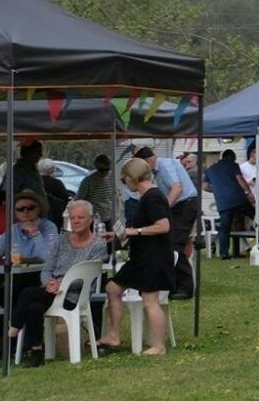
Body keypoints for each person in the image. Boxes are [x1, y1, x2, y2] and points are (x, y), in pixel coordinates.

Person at [4, 200, 108, 367]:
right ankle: (37, 351)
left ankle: (14, 330)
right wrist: (49, 284)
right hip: (51, 290)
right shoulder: (61, 240)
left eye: (80, 217)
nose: (76, 221)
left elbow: (89, 276)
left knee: (28, 293)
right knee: (33, 307)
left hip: (74, 295)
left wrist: (63, 285)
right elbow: (47, 268)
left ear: (90, 219)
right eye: (73, 217)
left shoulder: (98, 244)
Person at [102, 158, 174, 355]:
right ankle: (114, 334)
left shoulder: (153, 197)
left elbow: (163, 226)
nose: (125, 184)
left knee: (150, 300)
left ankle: (159, 346)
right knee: (112, 287)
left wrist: (135, 231)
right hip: (141, 257)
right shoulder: (146, 197)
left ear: (132, 178)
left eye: (124, 179)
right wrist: (121, 233)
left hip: (153, 257)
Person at [139, 145, 199, 300]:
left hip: (185, 205)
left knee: (175, 245)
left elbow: (177, 188)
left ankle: (185, 288)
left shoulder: (164, 166)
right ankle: (173, 284)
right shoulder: (160, 169)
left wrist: (162, 209)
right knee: (168, 244)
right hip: (181, 206)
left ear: (147, 161)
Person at [0, 190, 59, 264]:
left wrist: (35, 233)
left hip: (41, 272)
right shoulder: (14, 229)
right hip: (17, 272)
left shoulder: (49, 227)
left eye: (30, 208)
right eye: (20, 209)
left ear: (39, 209)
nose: (25, 212)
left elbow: (50, 258)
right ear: (15, 212)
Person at [204, 150, 253, 259]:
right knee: (255, 216)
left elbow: (205, 187)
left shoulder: (210, 169)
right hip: (238, 198)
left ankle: (223, 253)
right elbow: (240, 179)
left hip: (222, 202)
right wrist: (249, 192)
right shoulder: (233, 165)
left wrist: (217, 190)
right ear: (232, 157)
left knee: (224, 227)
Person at [74, 155, 116, 228]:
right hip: (93, 219)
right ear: (96, 168)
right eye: (101, 170)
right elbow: (78, 201)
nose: (104, 173)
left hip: (110, 217)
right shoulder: (88, 181)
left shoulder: (112, 178)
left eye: (107, 169)